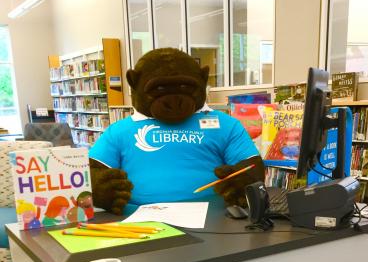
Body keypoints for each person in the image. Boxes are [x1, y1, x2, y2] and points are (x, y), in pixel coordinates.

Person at [89, 48, 264, 215]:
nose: (173, 101)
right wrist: (102, 192)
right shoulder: (119, 131)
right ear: (134, 83)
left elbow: (250, 166)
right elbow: (91, 172)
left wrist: (242, 183)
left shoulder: (225, 124)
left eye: (184, 87)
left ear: (202, 80)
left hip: (213, 217)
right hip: (138, 218)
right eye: (158, 89)